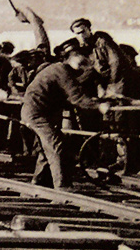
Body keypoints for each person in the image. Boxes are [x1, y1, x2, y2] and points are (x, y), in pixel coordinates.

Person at [21, 38, 110, 189]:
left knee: (47, 147)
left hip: (40, 112)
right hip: (37, 113)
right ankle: (62, 187)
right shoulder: (61, 71)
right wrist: (98, 105)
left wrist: (100, 99)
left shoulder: (62, 70)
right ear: (74, 59)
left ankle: (40, 182)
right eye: (85, 61)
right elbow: (77, 97)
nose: (87, 64)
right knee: (56, 145)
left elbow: (75, 93)